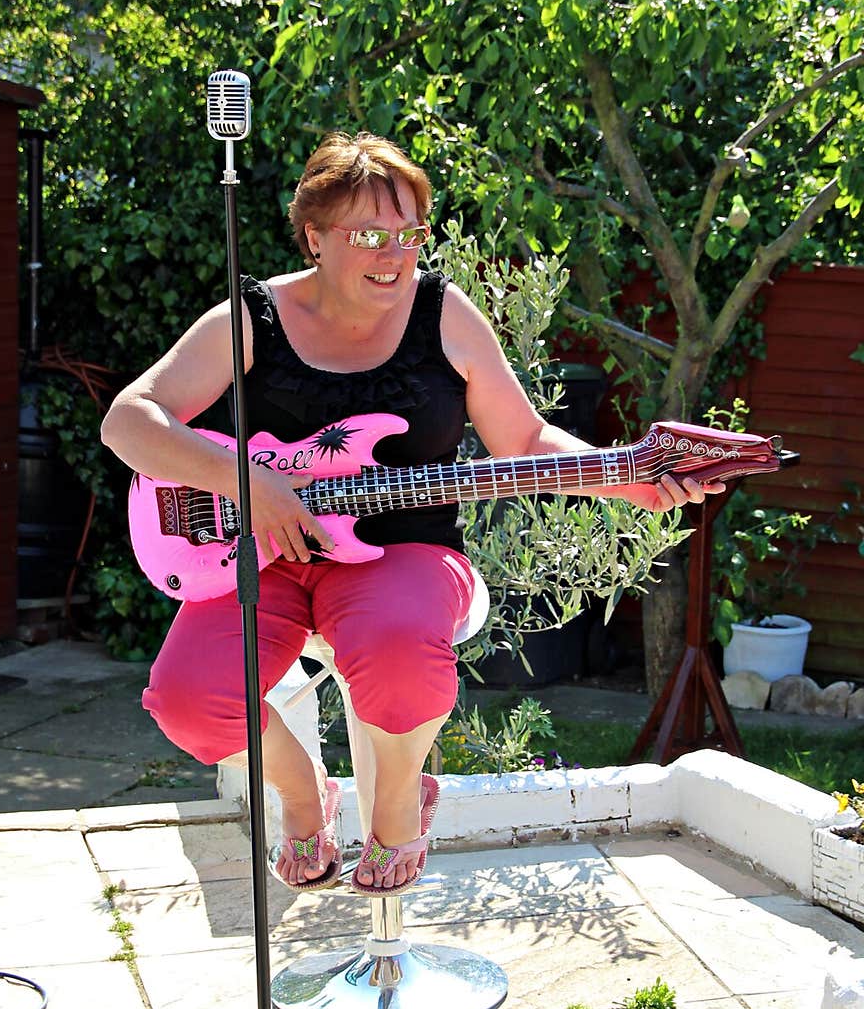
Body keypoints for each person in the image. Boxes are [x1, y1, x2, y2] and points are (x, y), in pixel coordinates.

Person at [101, 130, 723, 896]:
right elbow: (129, 420)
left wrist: (626, 476)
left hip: (405, 551)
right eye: (368, 234)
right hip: (266, 552)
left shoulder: (443, 316)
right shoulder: (254, 317)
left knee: (397, 652)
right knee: (189, 699)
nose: (393, 252)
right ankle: (304, 797)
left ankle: (395, 807)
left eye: (408, 233)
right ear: (315, 237)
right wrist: (246, 483)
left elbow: (522, 438)